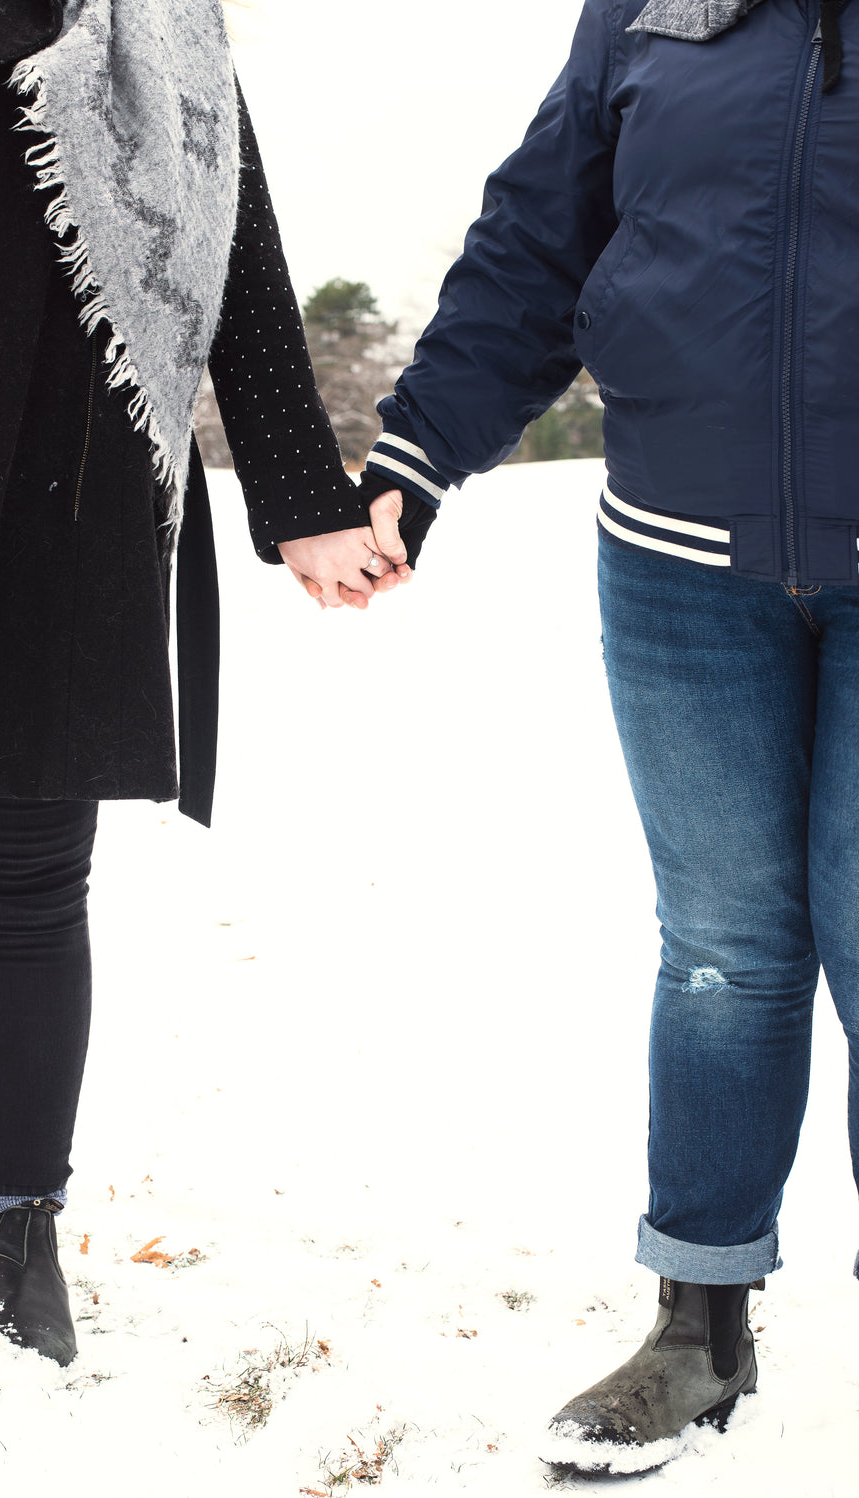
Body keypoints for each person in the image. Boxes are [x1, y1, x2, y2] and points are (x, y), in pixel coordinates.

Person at [0, 0, 418, 1381]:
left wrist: (300, 493)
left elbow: (230, 221)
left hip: (72, 490)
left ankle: (20, 1228)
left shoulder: (156, 16)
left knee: (20, 884)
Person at [358, 0, 859, 1474]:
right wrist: (416, 453)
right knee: (719, 947)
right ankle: (699, 1320)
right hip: (679, 564)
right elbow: (540, 234)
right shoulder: (653, 3)